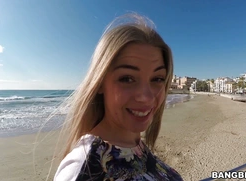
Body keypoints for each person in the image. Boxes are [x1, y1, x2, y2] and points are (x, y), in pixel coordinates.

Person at [54, 13, 183, 181]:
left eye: (157, 79)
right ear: (100, 82)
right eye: (127, 78)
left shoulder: (136, 147)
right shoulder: (86, 168)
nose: (145, 97)